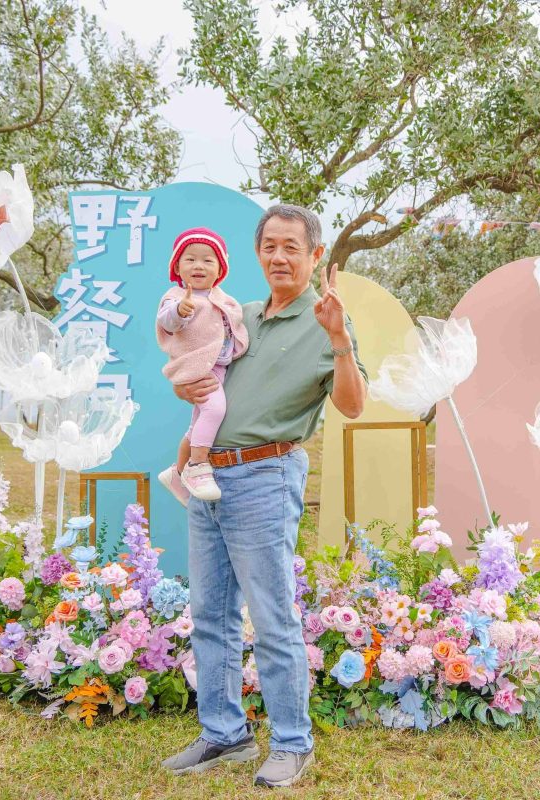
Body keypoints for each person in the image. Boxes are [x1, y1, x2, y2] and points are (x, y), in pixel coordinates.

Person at [160, 204, 367, 789]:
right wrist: (189, 387)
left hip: (266, 478)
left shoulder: (327, 320)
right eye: (269, 246)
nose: (279, 256)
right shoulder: (238, 315)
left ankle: (292, 742)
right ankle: (224, 734)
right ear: (257, 254)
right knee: (211, 613)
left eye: (291, 247)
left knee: (273, 620)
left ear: (314, 255)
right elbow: (199, 367)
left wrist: (340, 339)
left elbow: (352, 406)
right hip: (208, 476)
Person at [154, 227, 249, 503]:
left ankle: (177, 473)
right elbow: (168, 320)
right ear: (178, 267)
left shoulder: (222, 298)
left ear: (220, 268)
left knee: (197, 426)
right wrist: (179, 312)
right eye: (190, 259)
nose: (198, 265)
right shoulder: (176, 297)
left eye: (208, 260)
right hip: (197, 369)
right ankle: (197, 466)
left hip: (217, 367)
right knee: (215, 409)